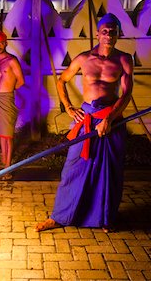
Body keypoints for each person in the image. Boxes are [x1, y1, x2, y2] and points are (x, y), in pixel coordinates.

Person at [35, 13, 134, 233]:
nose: (109, 35)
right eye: (105, 31)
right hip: (87, 119)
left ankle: (106, 218)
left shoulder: (124, 59)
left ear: (118, 34)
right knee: (73, 168)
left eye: (113, 31)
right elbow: (62, 81)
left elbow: (126, 94)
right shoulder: (83, 59)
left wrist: (109, 119)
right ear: (98, 33)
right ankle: (59, 216)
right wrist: (69, 108)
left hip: (111, 120)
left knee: (109, 171)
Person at [0, 31, 25, 180]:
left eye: (0, 43)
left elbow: (21, 81)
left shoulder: (12, 61)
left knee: (8, 134)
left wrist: (8, 90)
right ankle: (5, 162)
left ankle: (8, 168)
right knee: (1, 134)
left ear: (5, 43)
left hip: (7, 99)